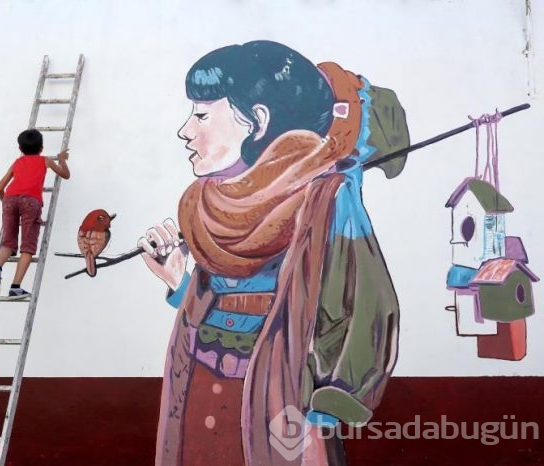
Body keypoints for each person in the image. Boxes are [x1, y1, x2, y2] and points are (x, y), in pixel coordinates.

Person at [138, 41, 409, 466]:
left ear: (258, 121)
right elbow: (225, 306)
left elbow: (366, 305)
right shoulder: (208, 207)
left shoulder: (326, 197)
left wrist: (327, 408)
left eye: (203, 115)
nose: (185, 130)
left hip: (280, 407)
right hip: (199, 400)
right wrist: (179, 281)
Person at [0, 129, 70, 299]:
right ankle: (15, 287)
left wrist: (7, 205)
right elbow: (65, 175)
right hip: (31, 201)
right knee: (27, 246)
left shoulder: (17, 162)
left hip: (9, 199)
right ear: (42, 147)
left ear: (20, 148)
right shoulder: (45, 160)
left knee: (8, 243)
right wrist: (62, 159)